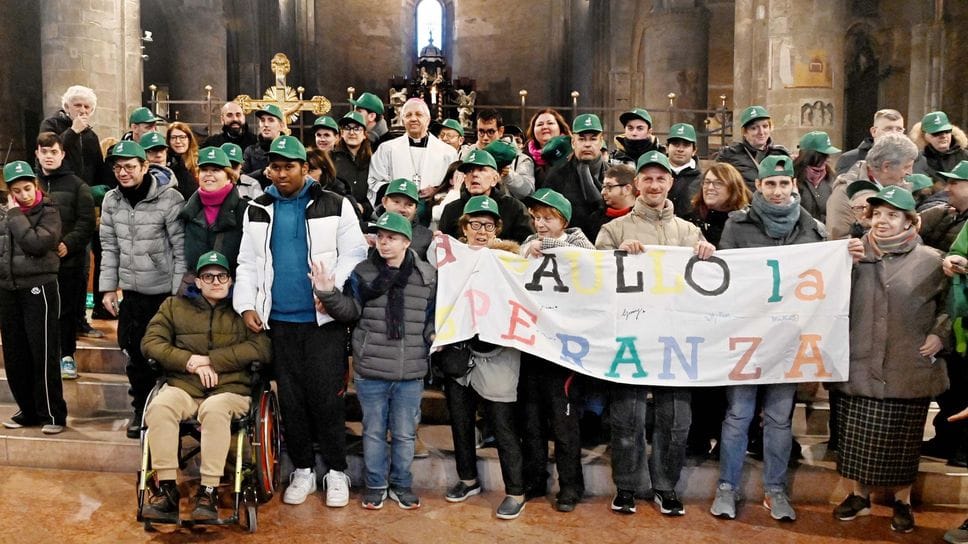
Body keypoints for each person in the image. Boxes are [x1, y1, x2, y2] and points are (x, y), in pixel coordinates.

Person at [711, 155, 861, 522]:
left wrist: (848, 259)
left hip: (789, 341)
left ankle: (775, 489)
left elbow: (826, 281)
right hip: (746, 338)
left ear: (793, 186)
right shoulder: (738, 226)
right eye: (769, 184)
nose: (777, 191)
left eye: (783, 184)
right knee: (738, 414)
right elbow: (727, 279)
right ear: (758, 186)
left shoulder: (814, 230)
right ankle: (727, 487)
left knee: (779, 418)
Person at [234, 135, 367, 508]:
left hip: (322, 321)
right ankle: (304, 470)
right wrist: (247, 304)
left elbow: (355, 252)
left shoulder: (335, 204)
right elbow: (246, 262)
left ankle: (336, 470)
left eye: (287, 167)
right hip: (279, 321)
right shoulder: (257, 208)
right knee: (291, 399)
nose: (279, 174)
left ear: (305, 169)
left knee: (327, 398)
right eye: (274, 167)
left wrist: (329, 289)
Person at [596, 151, 715, 516]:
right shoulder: (614, 229)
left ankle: (666, 486)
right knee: (627, 415)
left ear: (670, 184)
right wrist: (615, 254)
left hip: (675, 338)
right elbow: (594, 275)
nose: (653, 185)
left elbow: (707, 283)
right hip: (630, 336)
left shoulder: (689, 231)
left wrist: (709, 254)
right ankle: (628, 486)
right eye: (646, 179)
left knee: (676, 417)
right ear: (636, 185)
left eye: (660, 179)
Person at [832, 186, 947, 534]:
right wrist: (842, 265)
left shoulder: (932, 260)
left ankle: (902, 501)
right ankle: (859, 496)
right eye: (877, 213)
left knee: (903, 440)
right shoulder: (850, 255)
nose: (883, 221)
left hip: (906, 362)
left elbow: (950, 305)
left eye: (892, 215)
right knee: (857, 439)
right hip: (860, 360)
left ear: (909, 220)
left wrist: (939, 333)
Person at [312, 212, 436, 510]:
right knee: (374, 432)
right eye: (380, 237)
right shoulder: (363, 272)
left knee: (405, 435)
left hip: (410, 370)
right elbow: (350, 312)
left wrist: (433, 337)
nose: (384, 243)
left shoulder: (427, 275)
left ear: (407, 241)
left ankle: (402, 485)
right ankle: (376, 484)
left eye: (391, 237)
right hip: (371, 369)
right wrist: (327, 293)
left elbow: (432, 318)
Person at [139, 250, 271, 523]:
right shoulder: (173, 307)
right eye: (208, 276)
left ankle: (208, 491)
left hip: (230, 390)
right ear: (197, 282)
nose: (215, 281)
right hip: (184, 386)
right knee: (160, 407)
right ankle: (167, 489)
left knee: (214, 408)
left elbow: (262, 347)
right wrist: (189, 362)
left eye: (221, 276)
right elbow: (150, 343)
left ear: (231, 280)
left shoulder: (245, 311)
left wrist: (213, 361)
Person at [438, 195, 528, 520]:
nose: (481, 230)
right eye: (474, 224)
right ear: (464, 227)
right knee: (460, 421)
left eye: (488, 225)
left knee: (503, 425)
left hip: (499, 352)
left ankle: (515, 491)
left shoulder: (510, 259)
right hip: (461, 350)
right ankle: (468, 479)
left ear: (497, 229)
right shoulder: (450, 259)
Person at [99, 140, 186, 439]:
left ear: (145, 167)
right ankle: (141, 409)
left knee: (165, 354)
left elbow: (180, 249)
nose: (123, 173)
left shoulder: (170, 198)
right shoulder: (111, 200)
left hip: (163, 292)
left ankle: (169, 411)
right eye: (118, 167)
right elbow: (109, 247)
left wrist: (177, 296)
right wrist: (108, 289)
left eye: (130, 167)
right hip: (132, 292)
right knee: (134, 352)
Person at [517, 188, 594, 513]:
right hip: (532, 346)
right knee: (531, 422)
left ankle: (571, 486)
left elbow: (591, 261)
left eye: (548, 218)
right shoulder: (527, 245)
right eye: (536, 218)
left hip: (565, 352)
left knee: (565, 425)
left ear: (564, 220)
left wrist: (546, 246)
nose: (541, 224)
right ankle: (535, 479)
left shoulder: (578, 242)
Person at [0, 161, 67, 435]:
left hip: (39, 287)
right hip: (8, 289)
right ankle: (27, 410)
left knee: (44, 351)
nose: (24, 194)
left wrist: (15, 214)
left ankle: (52, 412)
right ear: (9, 191)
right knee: (15, 354)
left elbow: (37, 243)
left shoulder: (49, 211)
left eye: (27, 188)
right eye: (17, 190)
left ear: (35, 185)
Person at [34, 132, 96, 380]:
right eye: (44, 151)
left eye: (54, 152)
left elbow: (86, 221)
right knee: (39, 313)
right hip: (36, 263)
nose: (49, 156)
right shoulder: (31, 183)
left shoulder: (77, 185)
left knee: (65, 312)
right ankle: (42, 360)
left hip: (67, 261)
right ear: (37, 153)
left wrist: (68, 244)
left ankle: (66, 356)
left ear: (62, 154)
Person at [928, 161, 968, 467]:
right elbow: (958, 252)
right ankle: (949, 440)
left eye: (956, 183)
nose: (948, 188)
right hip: (957, 316)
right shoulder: (951, 217)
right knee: (953, 383)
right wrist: (952, 259)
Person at [826, 133, 919, 239]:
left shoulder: (902, 188)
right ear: (886, 166)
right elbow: (839, 240)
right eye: (907, 167)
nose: (910, 173)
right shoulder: (844, 193)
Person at [367, 98, 457, 205]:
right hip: (398, 210)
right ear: (402, 120)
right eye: (408, 115)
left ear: (428, 120)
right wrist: (399, 192)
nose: (413, 119)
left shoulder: (448, 152)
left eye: (419, 114)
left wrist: (436, 191)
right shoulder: (387, 149)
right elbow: (374, 182)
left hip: (433, 210)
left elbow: (455, 185)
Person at [179, 147, 248, 280]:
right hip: (193, 290)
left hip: (232, 289)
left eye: (216, 170)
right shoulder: (186, 212)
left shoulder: (245, 211)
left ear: (229, 177)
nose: (209, 174)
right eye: (204, 170)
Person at [436, 150, 533, 243]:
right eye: (469, 171)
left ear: (494, 179)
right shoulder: (451, 209)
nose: (474, 174)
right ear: (464, 180)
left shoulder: (514, 208)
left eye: (481, 170)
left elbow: (526, 245)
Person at [542, 114, 608, 241]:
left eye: (593, 139)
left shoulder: (613, 175)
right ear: (573, 142)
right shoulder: (556, 175)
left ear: (601, 142)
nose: (587, 144)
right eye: (582, 139)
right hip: (568, 249)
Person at [460, 109, 535, 199]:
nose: (485, 137)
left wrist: (509, 175)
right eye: (481, 132)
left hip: (506, 210)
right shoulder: (466, 154)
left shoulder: (519, 159)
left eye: (491, 132)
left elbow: (527, 192)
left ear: (500, 131)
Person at [39, 85, 105, 187]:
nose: (82, 110)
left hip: (84, 191)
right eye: (78, 105)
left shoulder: (91, 136)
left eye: (87, 107)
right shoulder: (51, 124)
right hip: (57, 187)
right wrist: (73, 131)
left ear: (91, 111)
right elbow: (49, 150)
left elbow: (98, 168)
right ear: (66, 107)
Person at [715, 105, 790, 192]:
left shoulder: (781, 154)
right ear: (745, 132)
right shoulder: (730, 155)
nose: (761, 132)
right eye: (754, 128)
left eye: (765, 126)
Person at [687, 162, 750, 247]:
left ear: (733, 188)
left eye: (718, 183)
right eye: (707, 182)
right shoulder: (689, 221)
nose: (710, 188)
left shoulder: (746, 223)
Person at [333, 111, 375, 220]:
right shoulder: (331, 159)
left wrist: (364, 207)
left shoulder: (374, 160)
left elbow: (377, 188)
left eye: (357, 129)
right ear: (341, 133)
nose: (352, 132)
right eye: (347, 128)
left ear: (364, 134)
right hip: (338, 215)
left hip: (366, 217)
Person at [377, 179, 432, 260]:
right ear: (384, 202)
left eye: (409, 204)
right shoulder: (367, 230)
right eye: (396, 202)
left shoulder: (428, 237)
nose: (402, 209)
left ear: (416, 208)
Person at [794, 130, 841, 224]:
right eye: (824, 155)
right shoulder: (792, 177)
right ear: (810, 155)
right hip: (802, 235)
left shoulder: (832, 177)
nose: (827, 158)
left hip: (828, 234)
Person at [910, 111, 968, 183]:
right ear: (924, 136)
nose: (943, 136)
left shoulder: (965, 156)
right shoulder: (917, 160)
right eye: (936, 133)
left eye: (947, 131)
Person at [139, 132, 195, 201]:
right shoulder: (134, 177)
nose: (159, 155)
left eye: (162, 150)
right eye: (152, 151)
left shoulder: (182, 174)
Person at [242, 104, 286, 188]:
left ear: (281, 126)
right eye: (262, 120)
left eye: (271, 120)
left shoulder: (291, 150)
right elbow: (242, 179)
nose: (266, 124)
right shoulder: (250, 151)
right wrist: (262, 173)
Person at [524, 109, 571, 187]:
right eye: (539, 124)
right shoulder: (523, 156)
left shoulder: (572, 152)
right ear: (533, 130)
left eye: (550, 123)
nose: (544, 127)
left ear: (560, 127)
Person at [665, 123, 702, 218]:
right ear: (667, 148)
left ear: (694, 150)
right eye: (675, 144)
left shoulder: (703, 180)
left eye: (686, 145)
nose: (680, 149)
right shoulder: (657, 174)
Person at [166, 122, 200, 197]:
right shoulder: (166, 162)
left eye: (182, 137)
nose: (178, 141)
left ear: (189, 139)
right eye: (174, 137)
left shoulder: (200, 160)